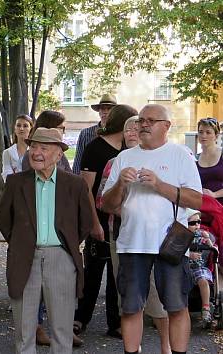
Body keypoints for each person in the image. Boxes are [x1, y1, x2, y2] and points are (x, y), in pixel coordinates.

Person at [102, 104, 202, 354]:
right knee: (131, 307)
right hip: (131, 243)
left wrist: (159, 185)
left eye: (150, 120)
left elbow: (196, 200)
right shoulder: (124, 158)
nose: (143, 124)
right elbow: (108, 205)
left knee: (177, 306)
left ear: (166, 126)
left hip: (170, 244)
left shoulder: (181, 155)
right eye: (141, 120)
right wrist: (120, 187)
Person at [0, 127, 93, 354]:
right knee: (24, 328)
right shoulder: (15, 182)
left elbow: (85, 224)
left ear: (59, 154)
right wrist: (22, 243)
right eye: (33, 147)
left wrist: (64, 244)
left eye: (44, 148)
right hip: (24, 258)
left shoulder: (75, 184)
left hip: (60, 257)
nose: (36, 152)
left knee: (61, 328)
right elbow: (4, 221)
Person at [99, 116, 172, 354]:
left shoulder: (165, 158)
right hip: (122, 236)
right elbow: (104, 200)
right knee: (129, 297)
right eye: (129, 128)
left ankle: (166, 346)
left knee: (156, 297)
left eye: (137, 127)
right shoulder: (116, 162)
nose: (133, 131)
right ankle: (134, 346)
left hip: (154, 239)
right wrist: (127, 209)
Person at [74, 104, 138, 339]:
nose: (137, 127)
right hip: (99, 218)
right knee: (93, 271)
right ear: (124, 122)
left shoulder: (128, 149)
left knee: (116, 273)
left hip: (122, 222)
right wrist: (93, 223)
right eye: (134, 122)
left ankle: (115, 322)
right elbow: (86, 189)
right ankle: (80, 318)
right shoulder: (95, 148)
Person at [186, 209, 217, 328]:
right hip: (184, 267)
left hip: (198, 267)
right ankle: (182, 310)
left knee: (203, 281)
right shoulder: (182, 235)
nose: (197, 225)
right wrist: (189, 254)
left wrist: (208, 239)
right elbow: (176, 249)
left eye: (198, 222)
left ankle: (206, 308)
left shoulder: (200, 234)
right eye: (192, 223)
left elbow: (210, 246)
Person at [73, 94, 118, 174]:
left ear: (115, 112)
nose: (105, 112)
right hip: (88, 175)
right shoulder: (86, 133)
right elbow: (78, 160)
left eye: (109, 108)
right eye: (102, 109)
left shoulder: (118, 134)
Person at [196, 117, 223, 204]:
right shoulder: (195, 158)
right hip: (203, 207)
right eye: (201, 132)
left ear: (216, 135)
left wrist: (214, 194)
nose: (204, 136)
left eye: (208, 132)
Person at [1, 114, 33, 180]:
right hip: (15, 188)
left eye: (25, 126)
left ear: (30, 129)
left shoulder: (35, 150)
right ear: (15, 129)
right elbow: (7, 177)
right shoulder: (7, 152)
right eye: (18, 125)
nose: (21, 128)